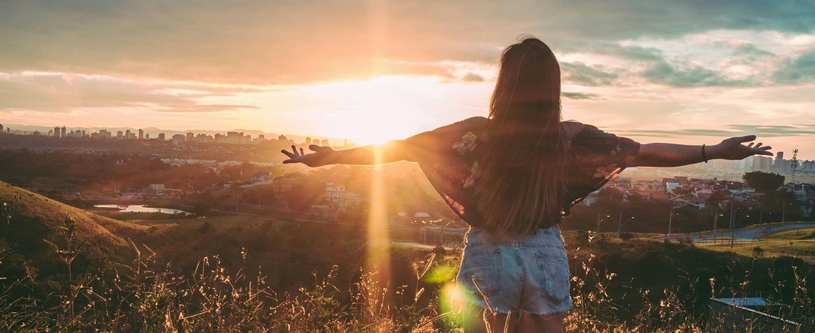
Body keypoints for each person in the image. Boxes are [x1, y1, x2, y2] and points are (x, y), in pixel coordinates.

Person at [281, 37, 772, 332]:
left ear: (504, 85)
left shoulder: (474, 133)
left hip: (487, 250)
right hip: (544, 252)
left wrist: (330, 159)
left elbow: (399, 147)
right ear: (553, 86)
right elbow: (642, 152)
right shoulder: (570, 137)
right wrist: (712, 151)